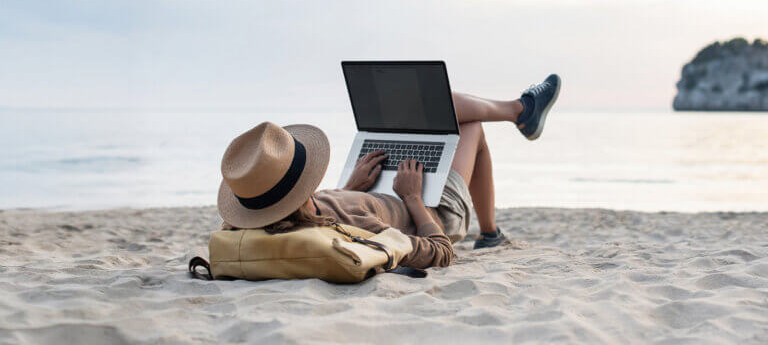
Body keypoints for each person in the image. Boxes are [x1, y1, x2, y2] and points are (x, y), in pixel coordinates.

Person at [217, 74, 561, 269]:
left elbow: (318, 207)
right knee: (469, 125)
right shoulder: (351, 227)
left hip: (373, 191)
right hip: (434, 211)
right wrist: (412, 198)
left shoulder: (287, 216)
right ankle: (490, 230)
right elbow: (440, 252)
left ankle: (520, 111)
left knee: (435, 109)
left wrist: (351, 188)